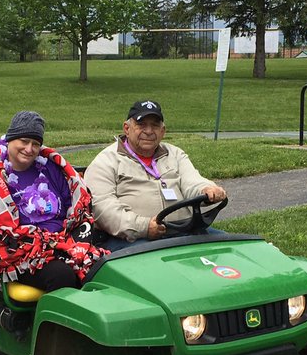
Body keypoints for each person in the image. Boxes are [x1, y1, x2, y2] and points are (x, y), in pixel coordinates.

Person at [0, 110, 107, 311]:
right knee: (63, 275)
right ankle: (58, 337)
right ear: (9, 140)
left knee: (101, 267)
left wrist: (67, 239)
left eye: (35, 144)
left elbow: (75, 207)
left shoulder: (51, 168)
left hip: (62, 242)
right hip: (22, 253)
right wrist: (40, 243)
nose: (29, 149)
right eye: (23, 141)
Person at [84, 99, 227, 246]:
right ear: (126, 128)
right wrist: (143, 227)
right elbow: (102, 208)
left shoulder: (175, 154)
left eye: (155, 125)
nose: (149, 131)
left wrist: (207, 189)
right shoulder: (106, 160)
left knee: (232, 249)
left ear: (162, 131)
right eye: (141, 125)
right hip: (131, 239)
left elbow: (192, 180)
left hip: (185, 230)